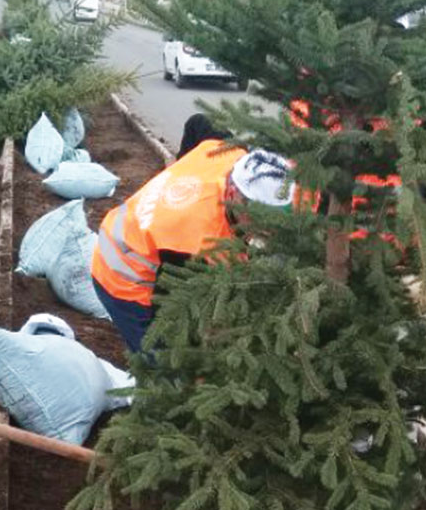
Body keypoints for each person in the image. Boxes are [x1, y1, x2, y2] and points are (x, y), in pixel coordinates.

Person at [91, 143, 292, 353]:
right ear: (233, 192)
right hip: (119, 270)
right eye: (259, 215)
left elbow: (198, 125)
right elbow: (202, 303)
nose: (268, 226)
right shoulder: (196, 238)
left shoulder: (229, 154)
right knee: (156, 353)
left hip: (144, 230)